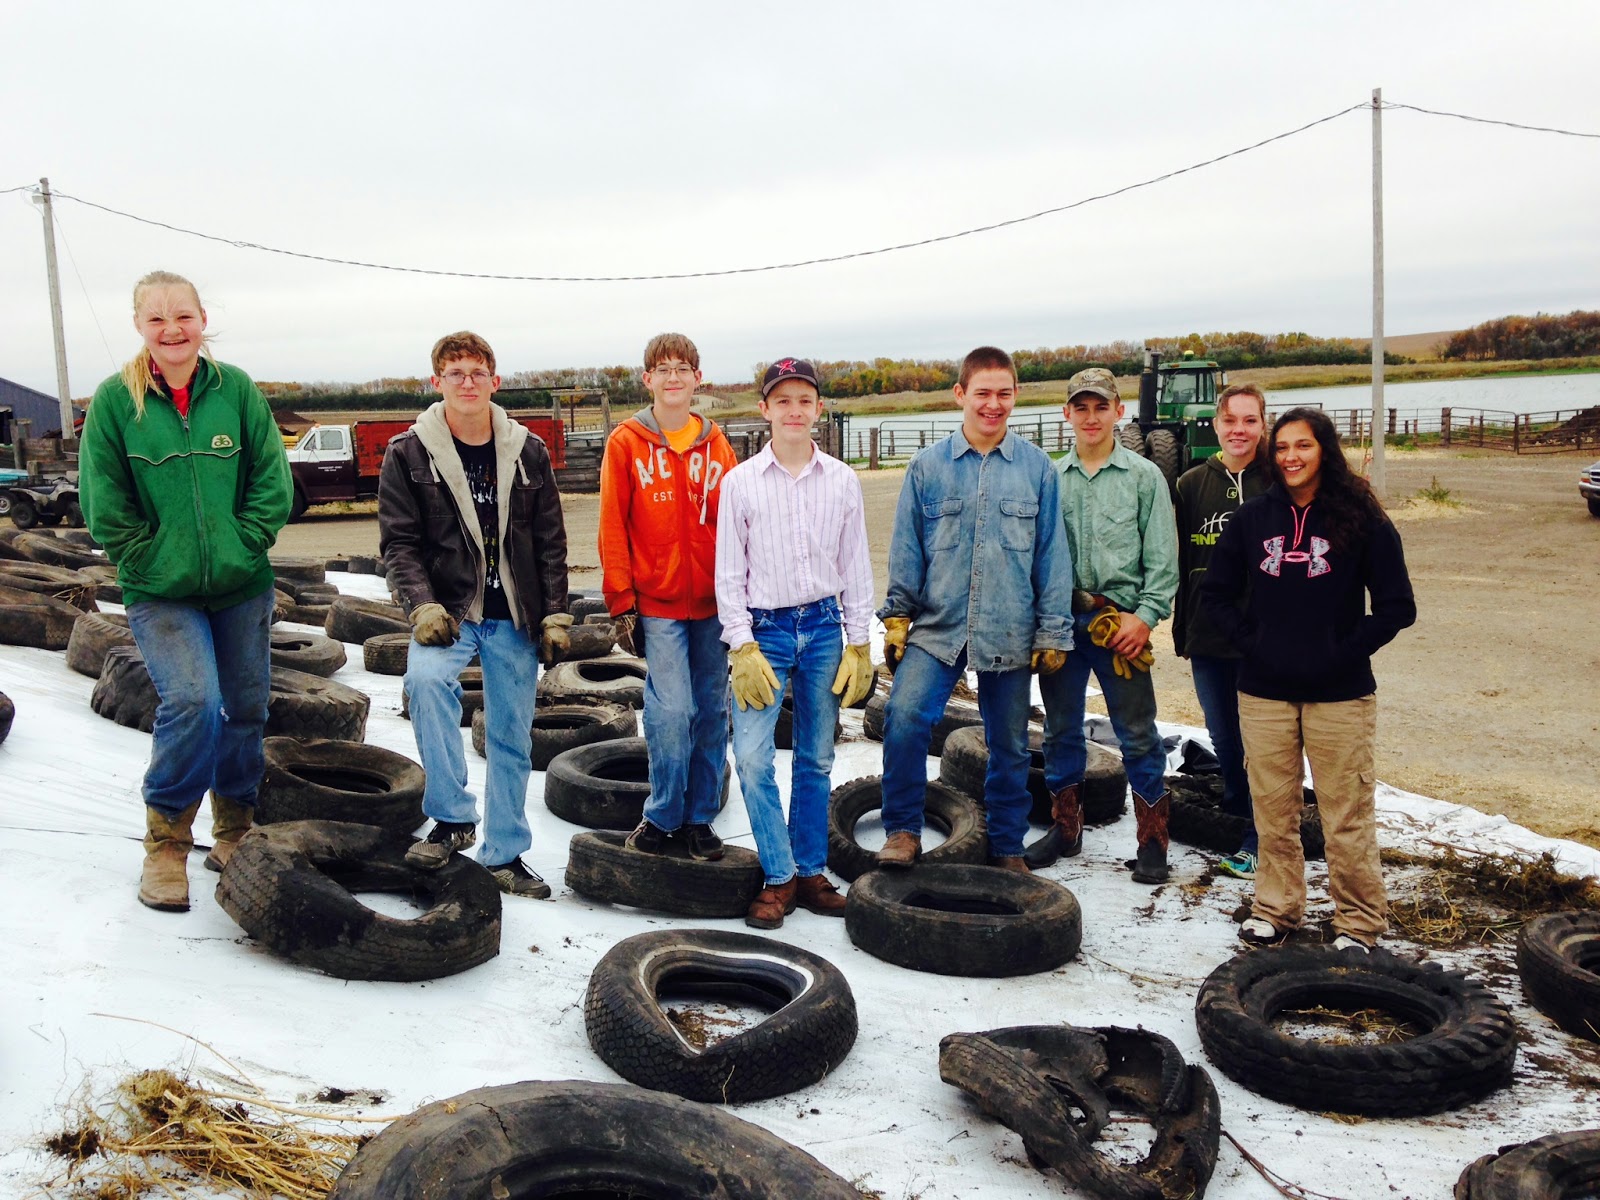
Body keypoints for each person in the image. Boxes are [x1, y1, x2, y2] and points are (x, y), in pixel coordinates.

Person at [80, 270, 292, 912]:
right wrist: (147, 555)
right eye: (156, 319)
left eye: (183, 316)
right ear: (139, 325)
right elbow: (102, 499)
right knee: (194, 702)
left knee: (247, 707)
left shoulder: (237, 392)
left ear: (203, 319)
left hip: (240, 585)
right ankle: (167, 846)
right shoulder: (117, 401)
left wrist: (245, 539)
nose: (171, 329)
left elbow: (271, 479)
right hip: (160, 590)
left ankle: (234, 829)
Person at [1200, 406, 1415, 951]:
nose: (1291, 457)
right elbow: (1216, 594)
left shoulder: (1360, 515)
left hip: (1340, 694)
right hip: (1264, 692)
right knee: (1273, 809)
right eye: (1283, 448)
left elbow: (1397, 606)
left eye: (1304, 446)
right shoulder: (1252, 519)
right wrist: (1255, 643)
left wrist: (1342, 651)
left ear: (1325, 451)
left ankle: (1358, 922)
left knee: (1346, 813)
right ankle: (1276, 908)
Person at [378, 331, 570, 898]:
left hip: (513, 614)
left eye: (477, 372)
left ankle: (505, 854)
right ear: (436, 382)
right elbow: (400, 544)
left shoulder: (528, 450)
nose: (467, 382)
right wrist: (422, 605)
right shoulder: (408, 452)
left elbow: (551, 542)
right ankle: (454, 816)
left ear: (495, 381)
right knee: (427, 681)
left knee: (511, 735)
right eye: (454, 372)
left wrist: (554, 613)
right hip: (450, 611)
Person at [876, 346, 1073, 872]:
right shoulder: (927, 467)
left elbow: (1052, 557)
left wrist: (1053, 632)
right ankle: (901, 830)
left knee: (1008, 742)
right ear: (960, 394)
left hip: (1009, 628)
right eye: (982, 392)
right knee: (904, 718)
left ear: (1016, 396)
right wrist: (897, 617)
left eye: (1003, 393)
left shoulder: (1038, 470)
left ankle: (1007, 846)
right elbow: (907, 548)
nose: (993, 404)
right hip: (938, 627)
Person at [715, 357, 875, 928]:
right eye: (782, 400)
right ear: (765, 409)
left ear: (817, 408)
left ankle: (809, 871)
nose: (794, 410)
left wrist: (861, 642)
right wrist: (740, 645)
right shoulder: (739, 483)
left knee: (817, 756)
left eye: (804, 400)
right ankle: (778, 874)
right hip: (765, 633)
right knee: (754, 757)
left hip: (825, 628)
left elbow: (855, 564)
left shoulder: (842, 480)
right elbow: (728, 573)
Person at [1033, 367, 1180, 883]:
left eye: (1102, 407)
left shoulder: (1145, 477)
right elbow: (1039, 554)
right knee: (1059, 729)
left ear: (1119, 412)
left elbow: (1163, 559)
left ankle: (1153, 841)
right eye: (1081, 407)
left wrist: (1145, 617)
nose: (1091, 417)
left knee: (1136, 732)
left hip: (1120, 625)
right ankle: (1065, 827)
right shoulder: (1050, 478)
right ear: (1067, 414)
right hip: (1062, 623)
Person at [598, 333, 738, 859]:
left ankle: (700, 818)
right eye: (663, 368)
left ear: (698, 379)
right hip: (656, 604)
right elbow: (612, 524)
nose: (674, 377)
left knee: (710, 711)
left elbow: (737, 523)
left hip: (712, 605)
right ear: (647, 379)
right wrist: (620, 601)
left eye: (683, 368)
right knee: (669, 712)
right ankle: (661, 815)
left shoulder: (717, 445)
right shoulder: (626, 443)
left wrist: (740, 595)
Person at [1172, 383, 1270, 879]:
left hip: (1264, 635)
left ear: (1262, 424)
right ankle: (1237, 805)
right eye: (1230, 420)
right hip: (1208, 633)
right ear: (1216, 424)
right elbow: (1185, 560)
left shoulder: (1278, 480)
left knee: (1262, 738)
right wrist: (1181, 630)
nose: (1239, 430)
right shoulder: (1191, 484)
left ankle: (1261, 838)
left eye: (1249, 420)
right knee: (1223, 734)